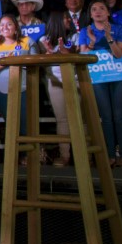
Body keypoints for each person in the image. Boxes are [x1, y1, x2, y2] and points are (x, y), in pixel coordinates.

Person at [79, 0, 122, 167]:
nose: (98, 11)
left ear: (108, 12)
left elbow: (118, 54)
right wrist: (92, 41)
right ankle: (109, 155)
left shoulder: (118, 29)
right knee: (106, 118)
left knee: (119, 117)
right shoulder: (85, 31)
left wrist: (108, 36)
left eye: (102, 8)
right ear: (90, 14)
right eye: (94, 9)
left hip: (120, 75)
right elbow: (83, 56)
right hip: (98, 76)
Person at [0, 15, 37, 143]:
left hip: (24, 88)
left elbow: (35, 64)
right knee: (11, 123)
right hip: (2, 90)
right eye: (2, 24)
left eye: (9, 24)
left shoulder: (27, 41)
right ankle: (13, 156)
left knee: (25, 122)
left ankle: (27, 155)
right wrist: (4, 62)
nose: (5, 27)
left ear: (15, 27)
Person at [39, 11, 79, 167]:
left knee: (81, 119)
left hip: (75, 81)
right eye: (65, 17)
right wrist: (49, 52)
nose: (68, 19)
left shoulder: (74, 37)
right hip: (54, 82)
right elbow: (42, 60)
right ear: (56, 21)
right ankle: (65, 156)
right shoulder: (44, 39)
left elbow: (75, 53)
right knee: (62, 119)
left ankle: (85, 157)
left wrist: (65, 52)